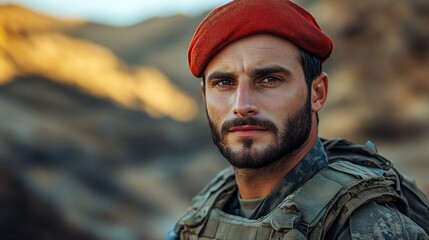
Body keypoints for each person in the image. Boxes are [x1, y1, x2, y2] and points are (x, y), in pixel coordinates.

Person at [169, 0, 429, 239]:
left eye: (270, 79)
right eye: (224, 83)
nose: (242, 106)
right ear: (205, 96)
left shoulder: (368, 227)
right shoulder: (207, 209)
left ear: (317, 94)